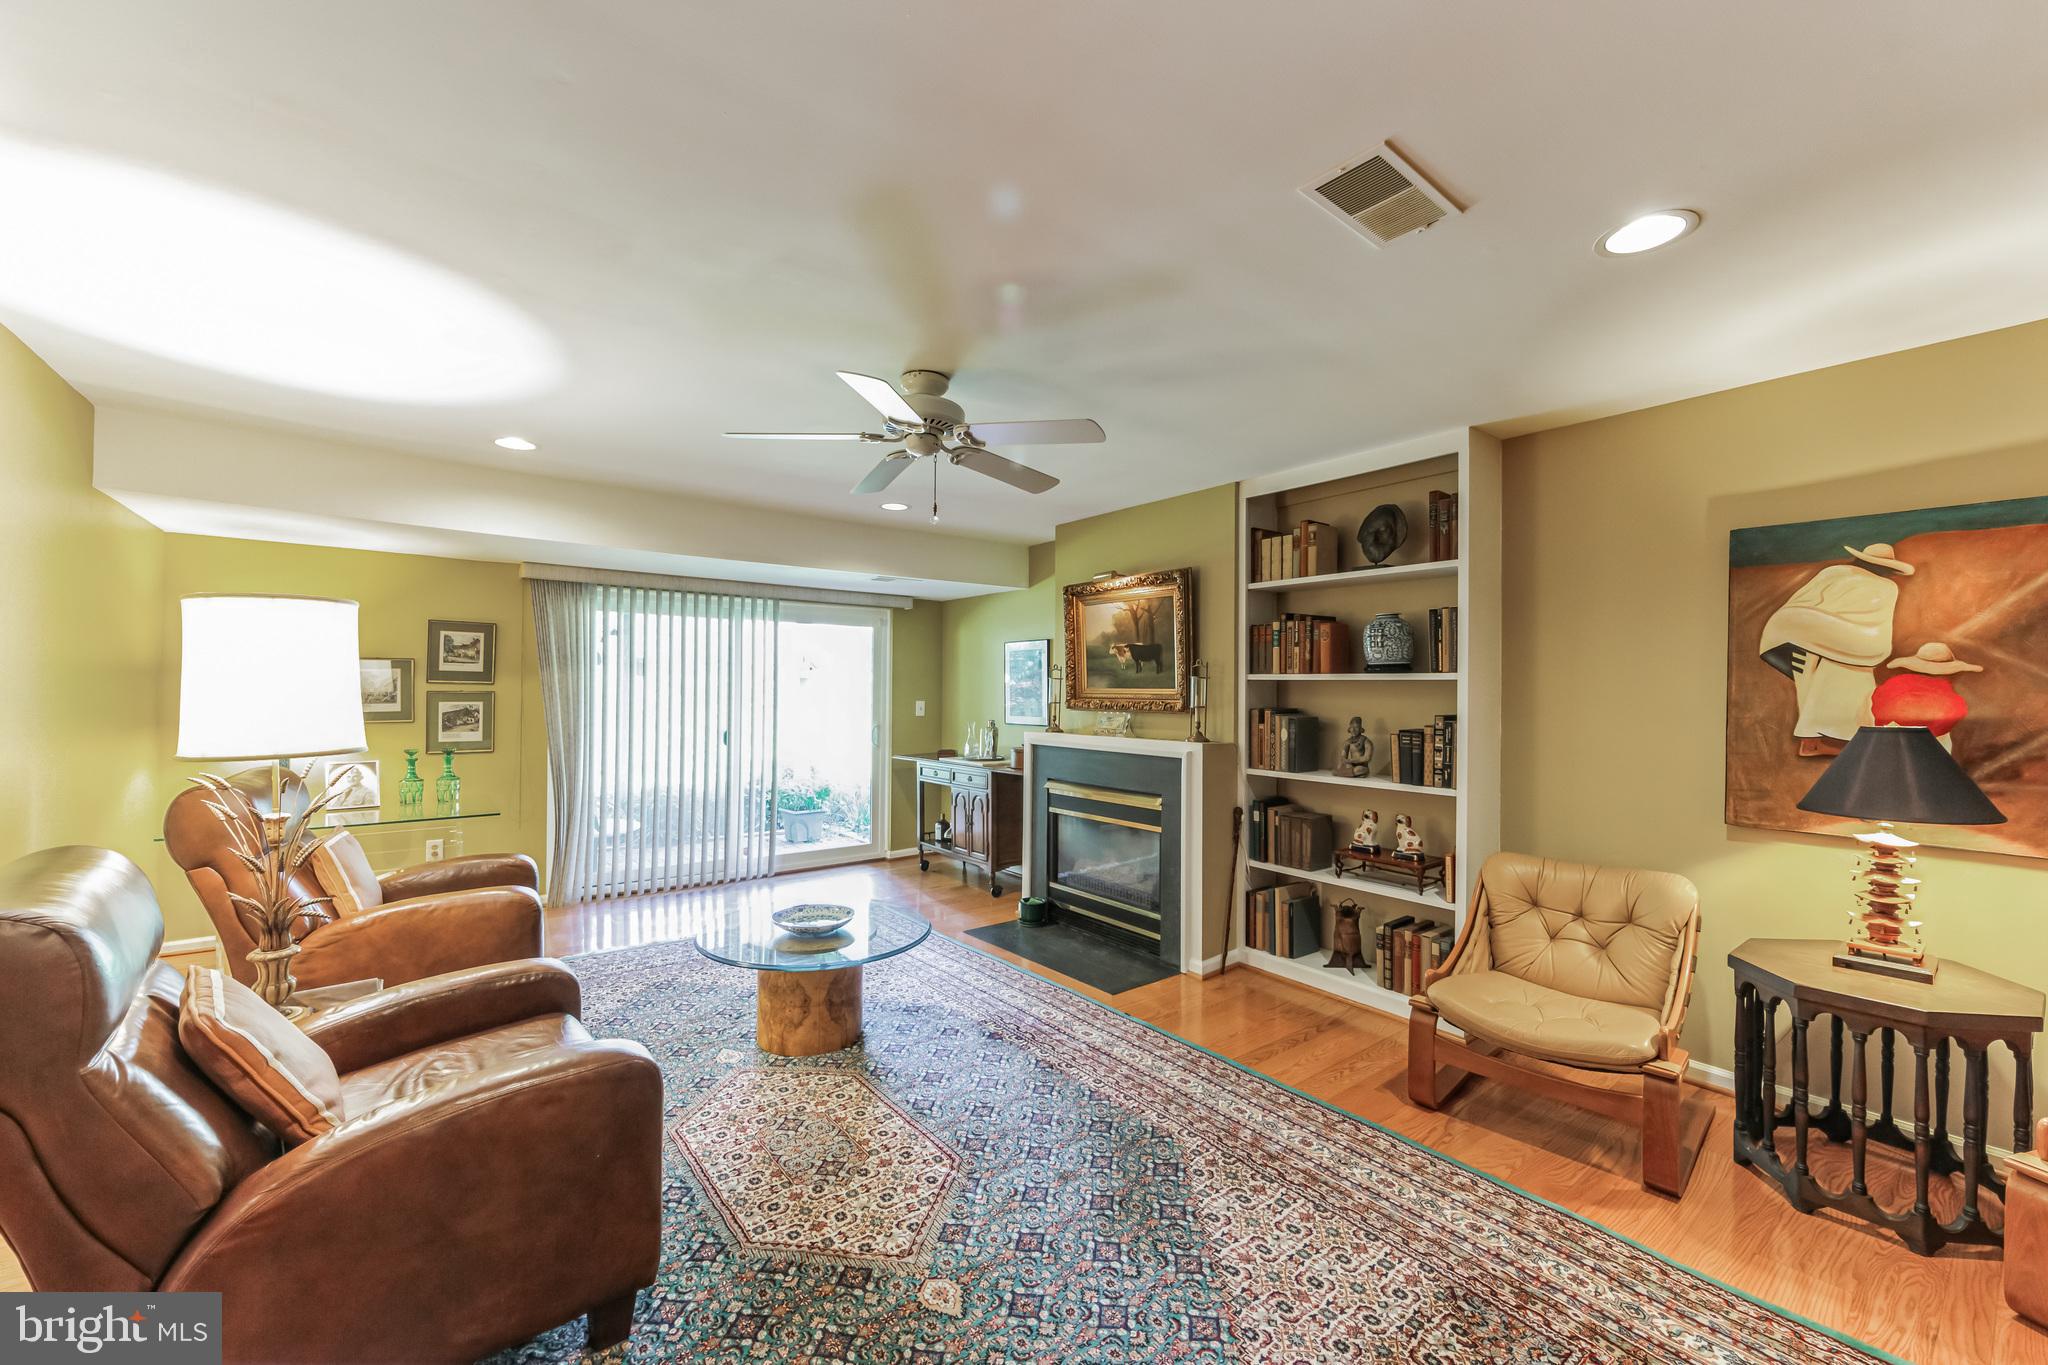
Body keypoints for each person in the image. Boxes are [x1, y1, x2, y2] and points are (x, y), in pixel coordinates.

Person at [1758, 542, 1912, 757]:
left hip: (1804, 634)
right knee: (1852, 686)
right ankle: (1835, 742)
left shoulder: (1833, 572)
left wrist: (1811, 629)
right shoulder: (1887, 587)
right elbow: (1875, 625)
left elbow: (1804, 602)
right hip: (1853, 644)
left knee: (1810, 685)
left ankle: (1811, 742)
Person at [1872, 642, 1981, 752]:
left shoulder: (1892, 686)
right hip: (1927, 750)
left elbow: (1879, 713)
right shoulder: (1950, 698)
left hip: (1885, 743)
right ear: (1951, 671)